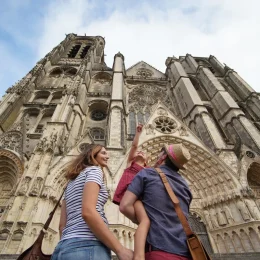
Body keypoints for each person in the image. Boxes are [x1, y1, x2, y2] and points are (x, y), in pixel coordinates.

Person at [51, 144, 133, 260]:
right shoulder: (94, 171)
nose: (108, 156)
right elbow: (88, 212)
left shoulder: (70, 182)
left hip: (63, 247)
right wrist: (120, 249)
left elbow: (62, 225)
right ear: (93, 155)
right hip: (88, 245)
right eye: (103, 153)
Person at [120, 144, 192, 260]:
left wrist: (145, 221)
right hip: (186, 252)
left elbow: (125, 206)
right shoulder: (185, 186)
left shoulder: (148, 173)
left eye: (160, 153)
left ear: (163, 157)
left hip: (159, 251)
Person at [113, 124, 150, 260]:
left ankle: (142, 247)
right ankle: (139, 256)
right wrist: (138, 134)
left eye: (144, 153)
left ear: (147, 162)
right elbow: (134, 147)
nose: (140, 152)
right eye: (138, 153)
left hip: (140, 197)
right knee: (145, 222)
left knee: (143, 223)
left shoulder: (147, 171)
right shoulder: (130, 164)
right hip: (131, 195)